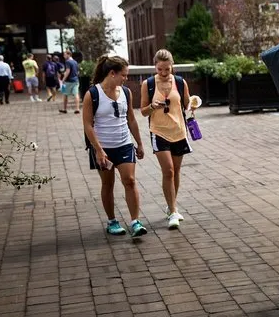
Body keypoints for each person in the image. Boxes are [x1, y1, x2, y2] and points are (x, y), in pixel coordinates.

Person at [82, 55, 148, 238]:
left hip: (124, 144)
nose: (126, 78)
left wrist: (140, 143)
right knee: (108, 184)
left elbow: (131, 120)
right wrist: (98, 150)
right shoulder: (93, 94)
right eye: (124, 75)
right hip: (103, 148)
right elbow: (87, 124)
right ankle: (112, 221)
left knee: (130, 180)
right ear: (112, 73)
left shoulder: (126, 92)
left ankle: (135, 221)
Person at [139, 49, 197, 230]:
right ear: (155, 67)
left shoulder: (180, 82)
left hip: (179, 131)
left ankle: (171, 204)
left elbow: (187, 104)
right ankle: (173, 211)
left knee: (176, 171)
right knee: (169, 171)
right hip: (159, 132)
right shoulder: (148, 84)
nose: (163, 74)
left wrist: (194, 104)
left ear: (172, 66)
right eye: (159, 70)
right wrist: (152, 106)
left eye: (167, 69)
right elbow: (142, 111)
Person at [60, 50, 80, 114]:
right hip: (76, 80)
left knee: (65, 94)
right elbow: (77, 71)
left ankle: (64, 109)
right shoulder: (75, 62)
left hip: (68, 81)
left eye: (64, 54)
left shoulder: (67, 62)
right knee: (76, 94)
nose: (63, 56)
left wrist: (63, 79)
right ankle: (77, 109)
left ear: (69, 55)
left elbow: (68, 71)